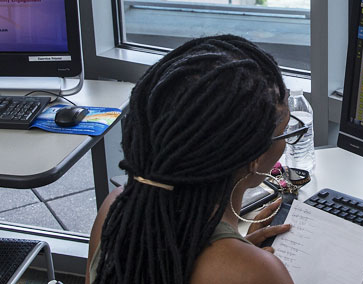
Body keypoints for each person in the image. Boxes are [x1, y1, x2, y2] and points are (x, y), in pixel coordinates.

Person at [85, 35, 300, 284]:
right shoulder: (255, 273)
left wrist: (236, 247)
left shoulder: (115, 210)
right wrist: (243, 261)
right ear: (254, 156)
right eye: (284, 132)